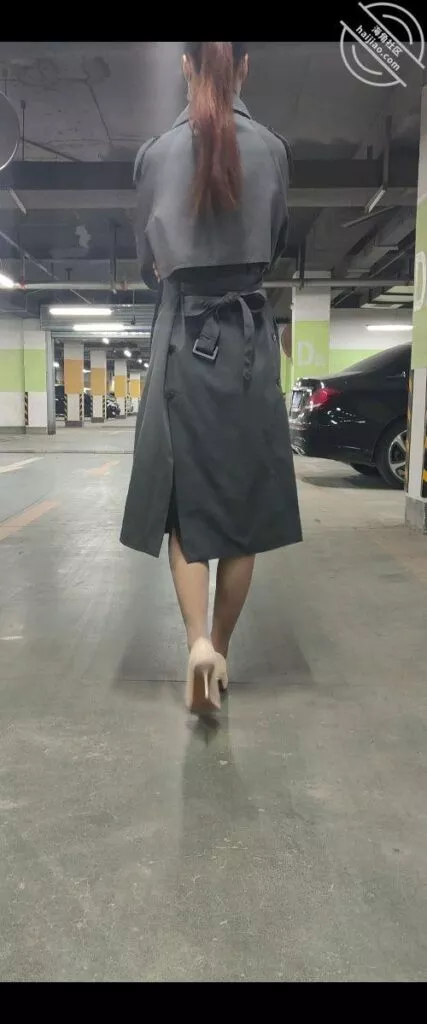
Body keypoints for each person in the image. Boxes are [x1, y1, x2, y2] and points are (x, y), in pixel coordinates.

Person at [120, 41, 302, 714]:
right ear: (244, 67)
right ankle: (220, 649)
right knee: (242, 515)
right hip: (247, 341)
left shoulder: (153, 156)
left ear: (183, 65)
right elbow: (275, 240)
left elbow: (147, 257)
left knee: (185, 508)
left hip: (182, 340)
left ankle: (196, 641)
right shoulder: (273, 149)